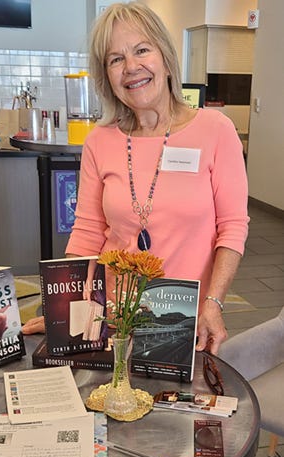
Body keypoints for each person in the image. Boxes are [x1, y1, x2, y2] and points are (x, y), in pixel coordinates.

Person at [23, 1, 249, 359]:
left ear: (166, 58)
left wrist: (213, 302)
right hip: (114, 317)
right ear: (107, 77)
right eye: (116, 59)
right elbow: (87, 231)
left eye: (142, 50)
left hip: (184, 322)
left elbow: (232, 228)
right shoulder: (100, 141)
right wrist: (65, 308)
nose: (131, 67)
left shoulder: (216, 130)